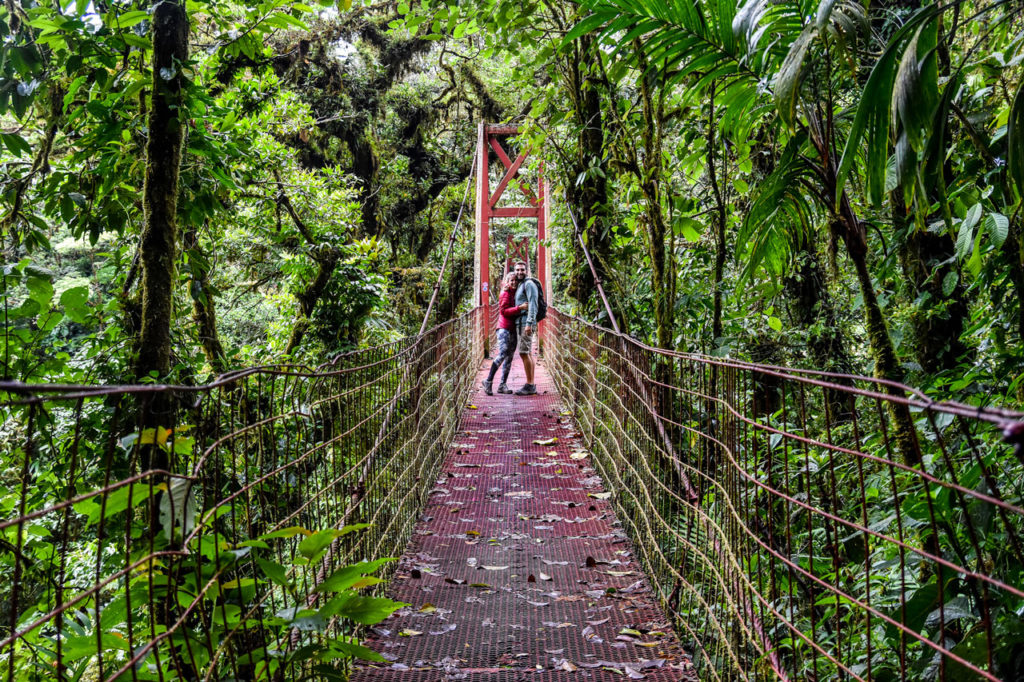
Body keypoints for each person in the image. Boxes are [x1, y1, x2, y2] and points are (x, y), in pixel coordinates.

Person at [482, 272, 526, 395]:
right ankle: (488, 381)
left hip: (513, 329)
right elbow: (504, 311)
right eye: (511, 280)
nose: (514, 283)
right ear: (507, 281)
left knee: (509, 357)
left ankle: (502, 385)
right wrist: (519, 308)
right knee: (502, 354)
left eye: (515, 281)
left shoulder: (517, 293)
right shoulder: (505, 293)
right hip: (504, 328)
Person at [512, 261, 538, 395]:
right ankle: (531, 384)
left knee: (523, 352)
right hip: (521, 322)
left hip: (525, 323)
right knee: (526, 352)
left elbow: (533, 304)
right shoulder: (521, 284)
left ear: (526, 271)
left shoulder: (528, 284)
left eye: (522, 270)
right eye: (517, 270)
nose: (519, 272)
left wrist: (529, 323)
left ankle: (530, 385)